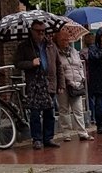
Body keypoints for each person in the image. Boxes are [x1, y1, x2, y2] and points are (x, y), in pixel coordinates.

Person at [15, 19, 61, 149]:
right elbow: (17, 63)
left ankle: (48, 138)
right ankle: (37, 139)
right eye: (38, 31)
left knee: (49, 112)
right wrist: (31, 63)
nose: (41, 34)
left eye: (43, 31)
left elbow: (58, 65)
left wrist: (60, 84)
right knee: (35, 113)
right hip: (34, 84)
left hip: (49, 83)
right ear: (32, 31)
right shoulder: (24, 46)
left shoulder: (51, 45)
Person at [53, 28, 90, 141]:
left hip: (76, 84)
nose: (66, 42)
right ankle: (66, 133)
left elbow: (78, 65)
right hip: (63, 84)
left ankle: (82, 132)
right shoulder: (55, 52)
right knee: (64, 110)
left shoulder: (73, 51)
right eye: (63, 40)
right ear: (58, 40)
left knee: (78, 109)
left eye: (67, 40)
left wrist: (82, 78)